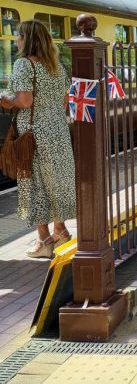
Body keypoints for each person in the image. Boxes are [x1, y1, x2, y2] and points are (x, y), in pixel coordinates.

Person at [0, 20, 75, 258]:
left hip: (33, 133)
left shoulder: (24, 65)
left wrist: (7, 101)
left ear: (28, 39)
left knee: (34, 184)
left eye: (19, 36)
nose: (17, 40)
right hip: (58, 130)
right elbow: (65, 100)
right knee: (55, 181)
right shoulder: (57, 66)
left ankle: (43, 240)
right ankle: (60, 230)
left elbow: (24, 101)